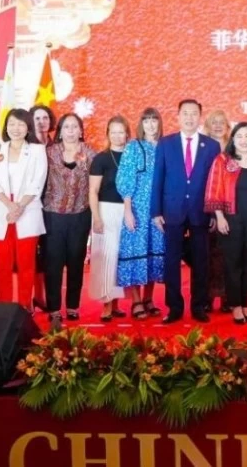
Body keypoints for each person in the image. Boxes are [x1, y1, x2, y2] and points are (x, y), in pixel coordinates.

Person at [152, 99, 220, 324]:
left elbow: (214, 181)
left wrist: (213, 211)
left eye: (194, 114)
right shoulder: (166, 143)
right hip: (172, 210)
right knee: (172, 261)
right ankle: (174, 307)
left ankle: (199, 306)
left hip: (201, 210)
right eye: (185, 113)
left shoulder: (211, 146)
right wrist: (155, 211)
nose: (190, 118)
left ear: (200, 117)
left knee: (201, 261)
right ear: (178, 116)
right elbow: (158, 178)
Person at [0, 108, 47, 309]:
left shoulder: (37, 150)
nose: (16, 128)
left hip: (27, 210)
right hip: (1, 209)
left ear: (28, 126)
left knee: (27, 264)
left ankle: (25, 307)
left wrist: (19, 207)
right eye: (11, 124)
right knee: (2, 265)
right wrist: (9, 205)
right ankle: (3, 308)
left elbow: (38, 182)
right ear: (6, 126)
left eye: (20, 124)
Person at [206, 122, 247, 324]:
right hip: (231, 218)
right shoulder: (223, 161)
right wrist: (219, 216)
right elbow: (213, 189)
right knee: (232, 263)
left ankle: (246, 305)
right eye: (239, 136)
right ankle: (235, 306)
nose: (244, 140)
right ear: (233, 139)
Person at [42, 113, 97, 328]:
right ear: (60, 131)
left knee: (76, 261)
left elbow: (97, 185)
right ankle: (54, 309)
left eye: (75, 127)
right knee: (53, 263)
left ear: (81, 130)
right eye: (66, 127)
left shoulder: (91, 154)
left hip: (80, 215)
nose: (71, 131)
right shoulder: (49, 153)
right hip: (53, 214)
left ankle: (73, 306)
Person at [117, 108, 165, 319]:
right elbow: (125, 179)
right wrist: (128, 210)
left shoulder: (166, 146)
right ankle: (136, 301)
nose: (151, 125)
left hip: (159, 210)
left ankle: (149, 298)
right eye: (147, 121)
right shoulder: (133, 147)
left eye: (154, 120)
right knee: (136, 252)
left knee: (155, 254)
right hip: (137, 208)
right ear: (141, 124)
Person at [89, 116, 130, 321]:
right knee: (106, 257)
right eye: (113, 131)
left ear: (127, 134)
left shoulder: (132, 156)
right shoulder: (101, 159)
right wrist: (96, 217)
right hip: (106, 211)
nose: (117, 135)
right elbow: (93, 191)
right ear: (107, 134)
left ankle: (116, 303)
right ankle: (106, 304)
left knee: (120, 259)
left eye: (121, 131)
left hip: (128, 212)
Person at [203, 109, 231, 310]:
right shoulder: (203, 148)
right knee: (208, 255)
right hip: (208, 209)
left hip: (231, 209)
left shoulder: (235, 147)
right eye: (214, 122)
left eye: (222, 122)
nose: (218, 125)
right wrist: (211, 212)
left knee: (228, 255)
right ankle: (207, 299)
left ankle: (228, 299)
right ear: (208, 126)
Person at [29, 104, 55, 309]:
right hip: (30, 205)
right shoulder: (26, 146)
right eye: (37, 118)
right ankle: (33, 295)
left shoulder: (56, 144)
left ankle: (42, 295)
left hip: (52, 207)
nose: (41, 122)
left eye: (45, 118)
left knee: (47, 253)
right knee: (31, 253)